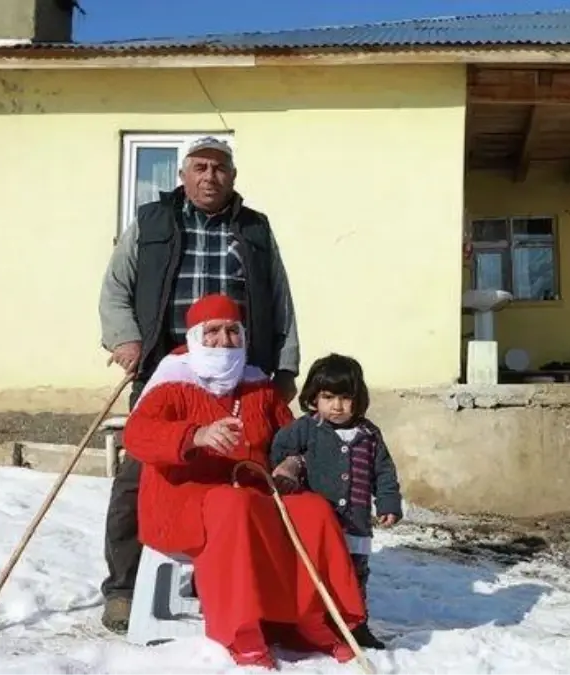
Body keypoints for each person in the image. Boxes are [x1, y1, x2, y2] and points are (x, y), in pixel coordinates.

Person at [97, 136, 301, 633]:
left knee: (238, 468)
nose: (211, 176)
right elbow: (115, 288)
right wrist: (125, 340)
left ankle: (229, 576)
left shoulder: (255, 229)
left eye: (221, 168)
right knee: (139, 474)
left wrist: (286, 366)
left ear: (233, 176)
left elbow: (280, 298)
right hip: (167, 364)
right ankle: (123, 588)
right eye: (201, 167)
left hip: (237, 366)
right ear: (183, 174)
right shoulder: (150, 222)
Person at [122, 294, 365, 669]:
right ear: (196, 337)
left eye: (233, 331)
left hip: (253, 490)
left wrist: (291, 464)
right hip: (181, 500)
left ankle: (313, 619)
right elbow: (137, 436)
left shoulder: (258, 386)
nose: (224, 340)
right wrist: (195, 436)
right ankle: (241, 629)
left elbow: (294, 437)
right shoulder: (172, 380)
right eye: (213, 331)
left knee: (311, 510)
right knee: (232, 505)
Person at [271, 353, 404, 650]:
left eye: (345, 397)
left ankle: (357, 624)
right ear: (314, 398)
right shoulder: (307, 428)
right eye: (328, 397)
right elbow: (279, 450)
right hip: (319, 523)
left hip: (355, 522)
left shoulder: (369, 434)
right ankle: (313, 621)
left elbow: (384, 471)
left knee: (355, 576)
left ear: (358, 399)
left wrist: (388, 503)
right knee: (317, 573)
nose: (337, 406)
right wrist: (291, 468)